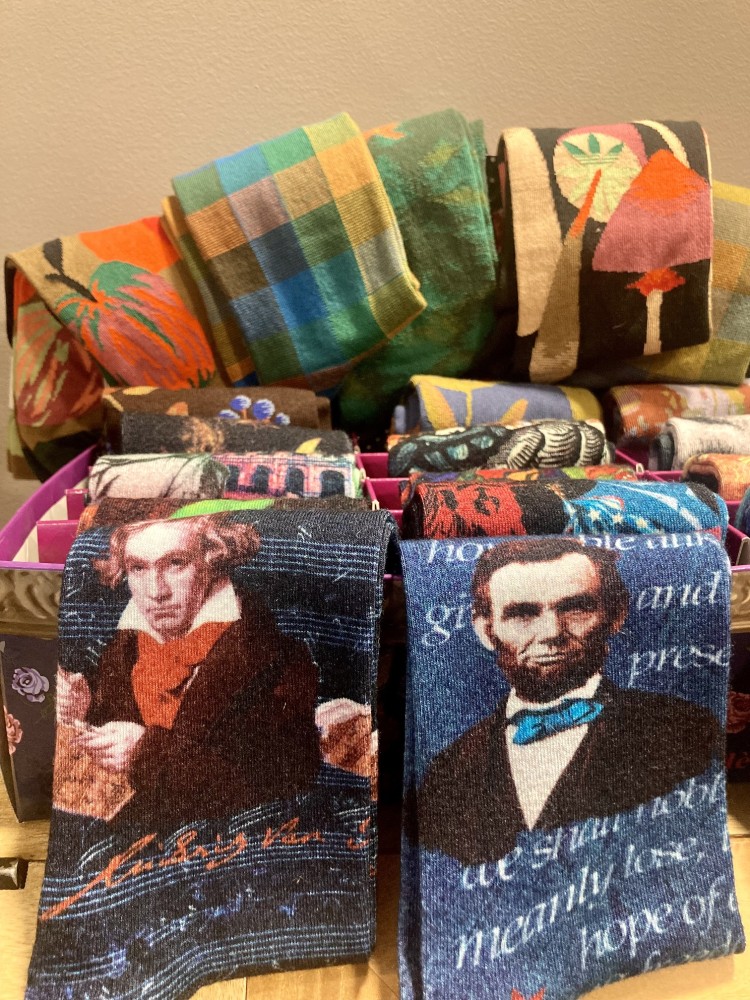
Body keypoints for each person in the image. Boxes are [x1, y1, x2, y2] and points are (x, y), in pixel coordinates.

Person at [417, 537, 722, 866]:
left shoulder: (686, 732)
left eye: (575, 608)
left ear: (615, 616)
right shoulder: (448, 771)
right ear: (486, 631)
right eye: (522, 614)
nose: (551, 632)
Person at [57, 515, 323, 828]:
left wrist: (146, 753)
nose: (156, 591)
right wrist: (83, 710)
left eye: (175, 563)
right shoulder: (124, 650)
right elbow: (110, 744)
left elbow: (286, 779)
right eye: (138, 568)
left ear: (213, 562)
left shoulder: (277, 657)